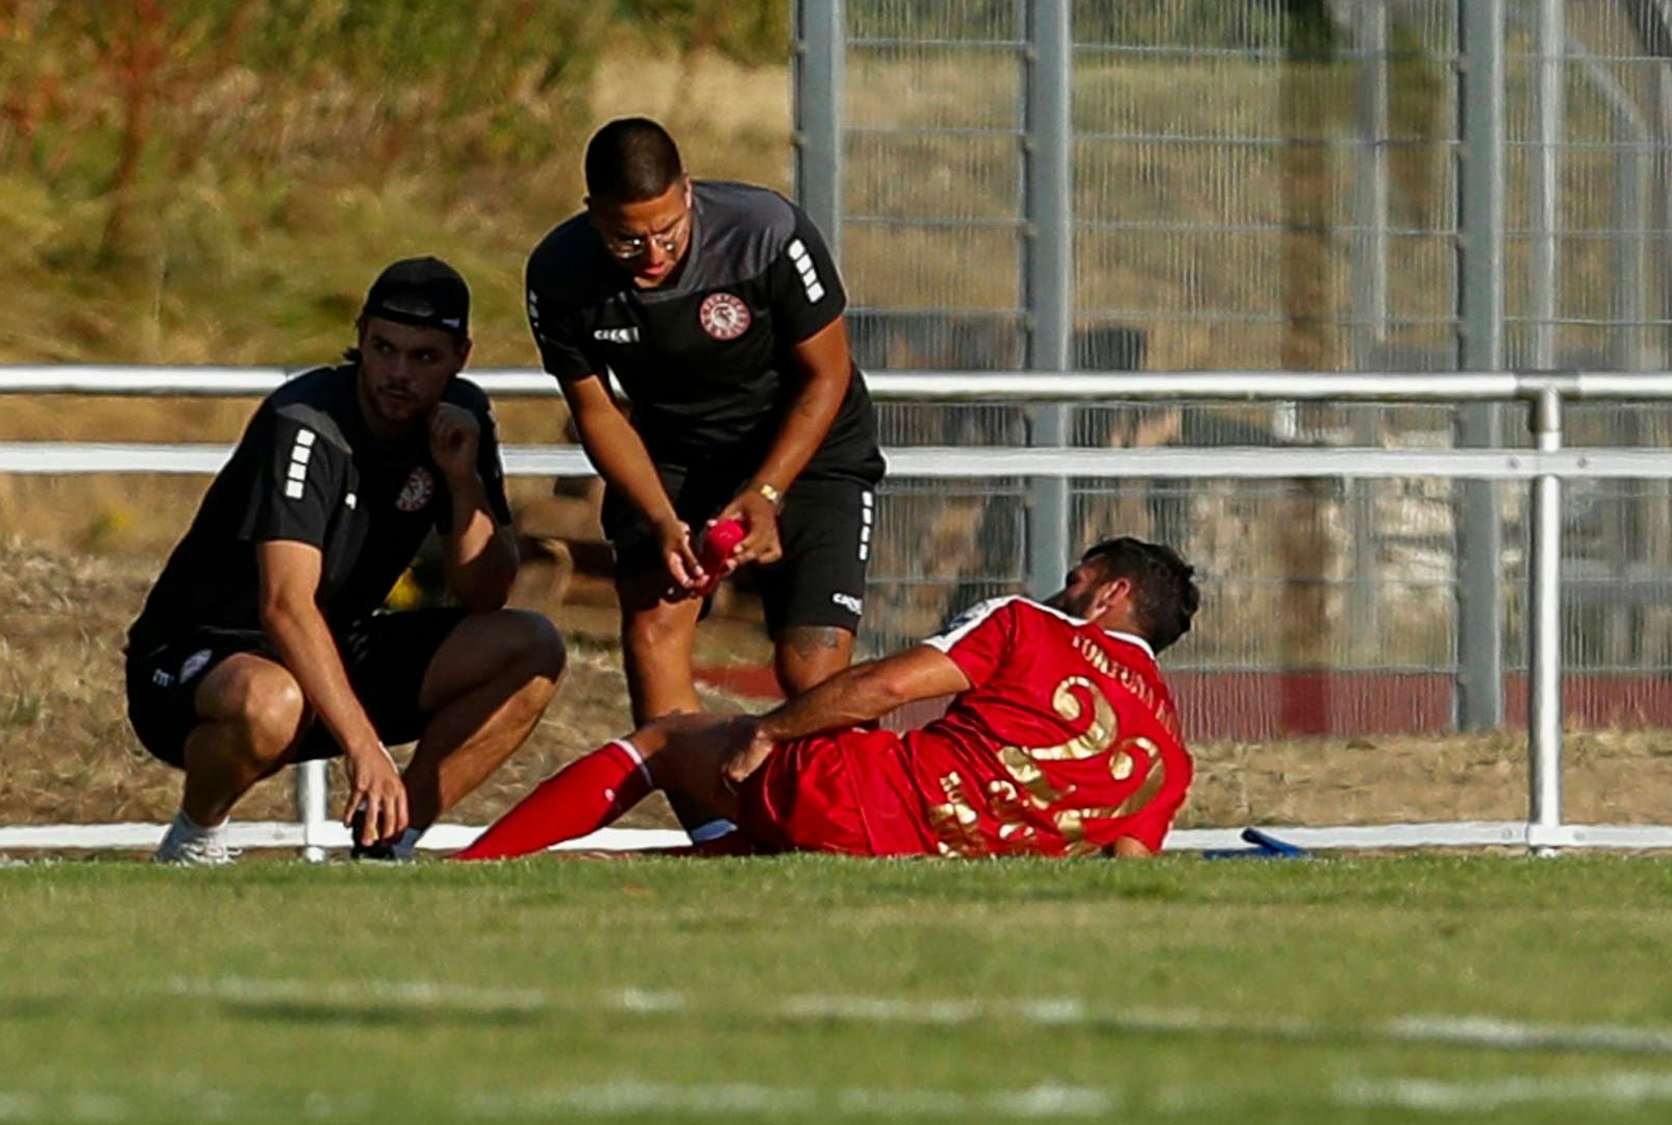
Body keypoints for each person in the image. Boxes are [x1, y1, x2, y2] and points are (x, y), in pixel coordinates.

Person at [125, 256, 565, 865]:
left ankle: (387, 844)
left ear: (461, 355)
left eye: (424, 358)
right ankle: (194, 839)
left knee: (531, 647)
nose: (398, 374)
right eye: (384, 348)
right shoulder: (305, 423)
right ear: (360, 335)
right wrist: (365, 747)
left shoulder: (462, 418)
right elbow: (283, 606)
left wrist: (464, 483)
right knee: (271, 700)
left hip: (334, 646)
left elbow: (485, 595)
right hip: (203, 660)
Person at [524, 116, 885, 840]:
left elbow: (827, 375)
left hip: (809, 449)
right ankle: (714, 837)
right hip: (676, 453)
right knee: (654, 626)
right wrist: (660, 518)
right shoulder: (558, 273)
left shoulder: (766, 231)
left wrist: (768, 493)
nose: (652, 254)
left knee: (807, 668)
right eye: (627, 239)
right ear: (592, 212)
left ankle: (863, 824)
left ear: (688, 193)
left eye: (668, 230)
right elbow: (596, 411)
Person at [459, 538, 1199, 861]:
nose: (1060, 587)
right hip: (949, 865)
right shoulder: (1171, 748)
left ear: (1110, 593)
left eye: (1076, 577)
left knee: (663, 740)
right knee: (729, 859)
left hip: (870, 800)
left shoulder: (1028, 625)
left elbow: (885, 687)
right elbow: (1125, 860)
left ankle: (471, 865)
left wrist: (773, 731)